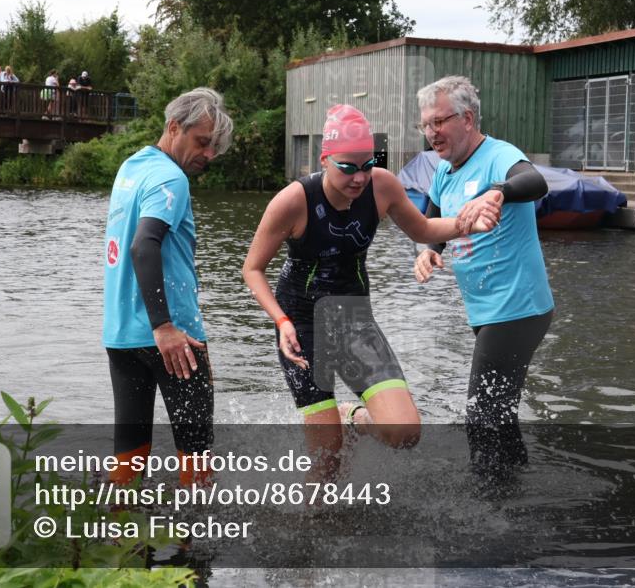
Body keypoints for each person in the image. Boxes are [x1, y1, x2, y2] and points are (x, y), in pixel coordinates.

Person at [242, 104, 499, 468]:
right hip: (301, 325)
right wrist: (281, 322)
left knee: (404, 432)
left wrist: (468, 223)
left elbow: (423, 231)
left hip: (353, 320)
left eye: (367, 164)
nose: (359, 178)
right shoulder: (293, 200)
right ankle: (316, 520)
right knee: (327, 458)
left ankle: (353, 418)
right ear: (325, 159)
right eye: (347, 167)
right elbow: (252, 269)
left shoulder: (382, 186)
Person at [413, 75, 554, 479]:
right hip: (487, 310)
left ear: (467, 118)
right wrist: (428, 252)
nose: (431, 133)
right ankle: (516, 492)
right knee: (499, 412)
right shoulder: (443, 171)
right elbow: (431, 220)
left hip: (518, 307)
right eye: (425, 124)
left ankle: (488, 503)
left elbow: (535, 181)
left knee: (482, 412)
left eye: (439, 122)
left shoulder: (498, 155)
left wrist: (498, 192)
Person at [102, 87, 233, 487]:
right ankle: (188, 548)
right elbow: (144, 244)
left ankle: (117, 542)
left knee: (129, 453)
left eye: (213, 147)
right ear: (174, 126)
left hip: (121, 336)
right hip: (176, 342)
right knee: (196, 463)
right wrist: (164, 327)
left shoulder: (131, 168)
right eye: (203, 142)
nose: (208, 154)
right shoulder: (170, 178)